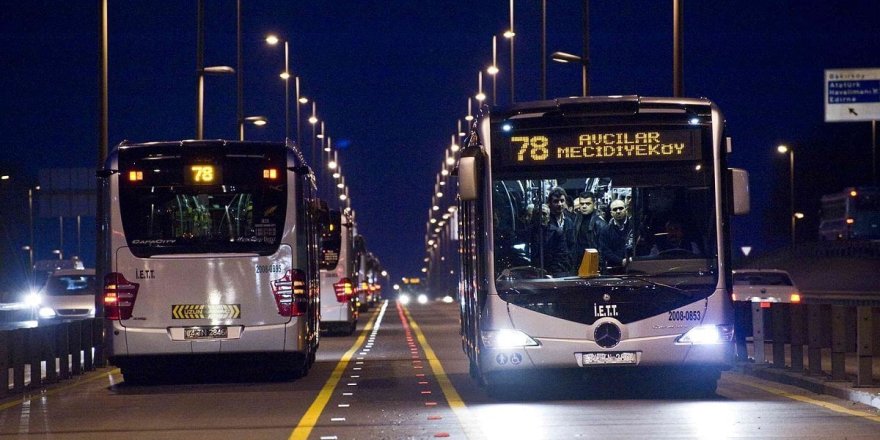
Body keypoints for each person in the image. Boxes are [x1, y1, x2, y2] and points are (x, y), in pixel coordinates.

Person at [529, 187, 573, 276]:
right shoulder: (545, 221)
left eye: (562, 201)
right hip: (549, 268)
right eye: (556, 201)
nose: (560, 204)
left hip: (566, 265)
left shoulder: (569, 221)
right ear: (550, 203)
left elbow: (572, 244)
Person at [570, 191, 607, 267]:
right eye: (582, 203)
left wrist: (598, 264)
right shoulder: (576, 220)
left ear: (594, 204)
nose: (584, 206)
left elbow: (602, 249)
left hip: (594, 263)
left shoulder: (600, 224)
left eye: (588, 203)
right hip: (579, 262)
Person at [598, 198, 633, 268]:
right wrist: (620, 261)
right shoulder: (605, 231)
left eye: (621, 208)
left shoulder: (634, 227)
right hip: (613, 269)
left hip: (634, 267)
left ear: (626, 210)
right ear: (611, 213)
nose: (618, 211)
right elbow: (605, 250)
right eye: (615, 209)